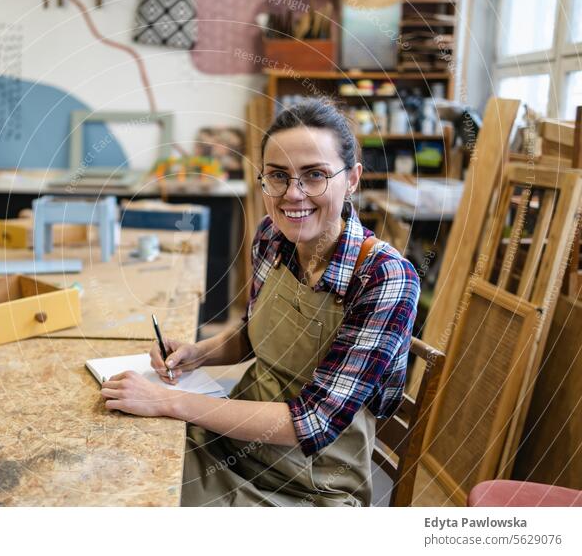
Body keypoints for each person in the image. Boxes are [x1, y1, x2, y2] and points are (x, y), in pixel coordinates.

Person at [100, 98, 420, 506]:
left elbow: (314, 421)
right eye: (277, 176)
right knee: (118, 461)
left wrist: (167, 401)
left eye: (315, 175)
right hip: (234, 445)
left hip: (309, 487)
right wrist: (198, 354)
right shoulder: (273, 236)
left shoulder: (384, 278)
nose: (293, 194)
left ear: (352, 179)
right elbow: (253, 335)